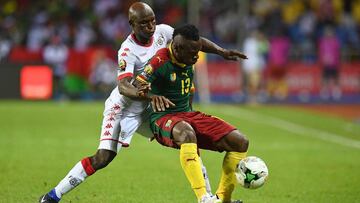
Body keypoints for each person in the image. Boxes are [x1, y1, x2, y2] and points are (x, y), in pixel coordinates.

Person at [39, 2, 247, 203]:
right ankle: (53, 195)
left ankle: (207, 198)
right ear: (132, 24)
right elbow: (124, 87)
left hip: (152, 108)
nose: (151, 27)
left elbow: (191, 41)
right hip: (125, 108)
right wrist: (150, 96)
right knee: (103, 157)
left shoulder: (164, 32)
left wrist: (221, 51)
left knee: (188, 139)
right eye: (144, 23)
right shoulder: (127, 51)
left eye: (153, 21)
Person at [135, 24, 248, 203]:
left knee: (240, 141)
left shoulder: (188, 49)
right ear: (177, 48)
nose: (197, 56)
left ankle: (223, 199)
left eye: (198, 51)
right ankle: (204, 198)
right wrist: (151, 96)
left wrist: (221, 52)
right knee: (187, 133)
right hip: (163, 117)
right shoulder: (160, 62)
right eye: (193, 52)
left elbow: (201, 43)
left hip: (188, 114)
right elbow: (136, 85)